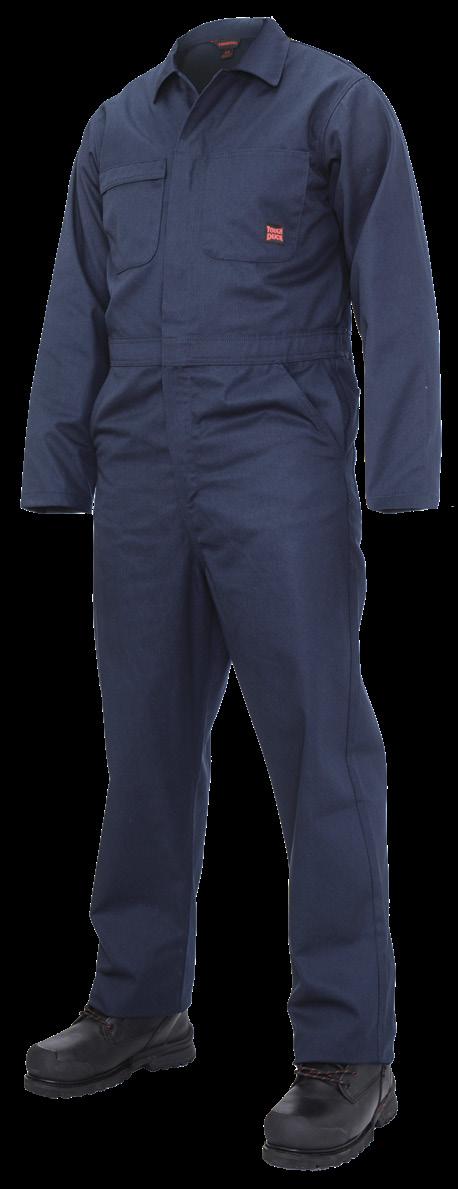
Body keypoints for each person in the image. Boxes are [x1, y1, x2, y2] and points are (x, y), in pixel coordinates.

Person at [21, 16, 440, 1170]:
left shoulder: (334, 105)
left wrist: (399, 471)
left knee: (318, 749)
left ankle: (347, 1049)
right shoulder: (118, 125)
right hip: (138, 471)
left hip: (277, 460)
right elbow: (76, 302)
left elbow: (394, 286)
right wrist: (56, 465)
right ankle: (137, 999)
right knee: (144, 743)